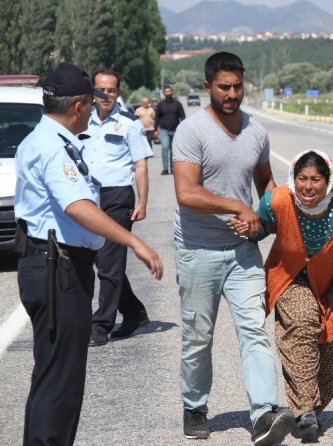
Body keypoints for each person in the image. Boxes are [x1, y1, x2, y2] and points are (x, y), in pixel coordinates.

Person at [15, 62, 163, 446]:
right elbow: (77, 206)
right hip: (57, 268)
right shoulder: (52, 146)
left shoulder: (48, 139)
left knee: (51, 377)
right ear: (79, 105)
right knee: (60, 383)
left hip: (54, 264)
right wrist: (134, 242)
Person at [172, 51, 293, 444]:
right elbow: (186, 193)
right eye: (224, 87)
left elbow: (266, 187)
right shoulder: (192, 132)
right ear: (208, 86)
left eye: (238, 86)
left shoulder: (256, 132)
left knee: (254, 331)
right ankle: (194, 406)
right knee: (197, 337)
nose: (232, 94)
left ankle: (263, 414)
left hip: (243, 252)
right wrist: (237, 206)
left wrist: (279, 216)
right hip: (197, 249)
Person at [235, 149, 333, 439]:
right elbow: (261, 227)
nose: (308, 187)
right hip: (292, 277)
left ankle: (313, 409)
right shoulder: (278, 200)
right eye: (302, 178)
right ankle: (304, 409)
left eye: (316, 179)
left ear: (329, 180)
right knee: (301, 327)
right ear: (293, 179)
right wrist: (250, 228)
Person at [83, 69, 155, 347]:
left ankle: (101, 325)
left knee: (109, 263)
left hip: (117, 198)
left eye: (111, 90)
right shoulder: (81, 122)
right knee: (101, 261)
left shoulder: (129, 124)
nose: (106, 95)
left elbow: (140, 165)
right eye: (100, 90)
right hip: (87, 197)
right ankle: (135, 312)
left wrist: (143, 201)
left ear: (118, 93)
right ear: (93, 91)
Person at [155, 85, 184, 175]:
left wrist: (183, 128)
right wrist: (155, 129)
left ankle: (172, 168)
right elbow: (157, 117)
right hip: (164, 130)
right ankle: (165, 168)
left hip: (175, 130)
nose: (168, 93)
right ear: (164, 93)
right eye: (166, 91)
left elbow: (182, 116)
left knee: (173, 150)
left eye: (169, 91)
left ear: (172, 92)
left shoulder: (177, 104)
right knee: (164, 147)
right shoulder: (160, 104)